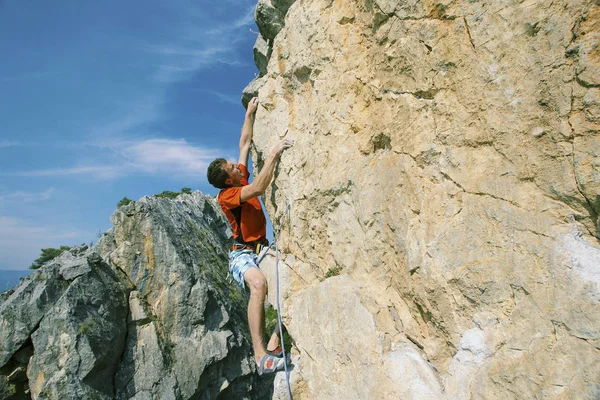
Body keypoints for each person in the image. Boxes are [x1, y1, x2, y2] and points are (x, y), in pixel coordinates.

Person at [206, 97, 294, 375]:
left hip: (262, 248)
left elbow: (244, 143)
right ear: (229, 180)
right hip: (241, 253)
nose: (237, 165)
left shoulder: (237, 177)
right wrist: (273, 155)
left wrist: (249, 114)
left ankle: (275, 342)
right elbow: (257, 188)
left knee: (288, 285)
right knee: (259, 286)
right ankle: (260, 357)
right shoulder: (229, 195)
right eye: (232, 167)